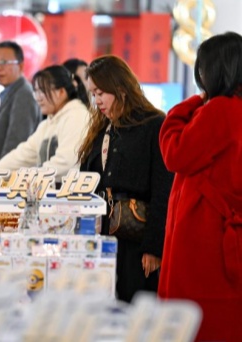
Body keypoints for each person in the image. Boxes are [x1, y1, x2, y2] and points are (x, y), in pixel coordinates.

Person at [158, 32, 242, 341]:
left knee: (195, 320)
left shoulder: (218, 110)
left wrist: (191, 103)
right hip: (227, 236)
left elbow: (176, 154)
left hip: (205, 234)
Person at [78, 55, 173, 303]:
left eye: (101, 92)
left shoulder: (154, 124)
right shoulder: (101, 128)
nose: (97, 100)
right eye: (93, 94)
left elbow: (164, 190)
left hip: (136, 237)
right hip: (101, 235)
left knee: (134, 302)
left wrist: (154, 247)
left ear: (120, 88)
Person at [0, 65, 89, 179]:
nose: (38, 98)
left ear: (61, 92)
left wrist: (27, 177)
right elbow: (22, 155)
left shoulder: (77, 116)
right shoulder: (47, 124)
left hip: (72, 194)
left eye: (42, 91)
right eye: (36, 91)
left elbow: (67, 163)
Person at [0, 41, 41, 167]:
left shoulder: (23, 94)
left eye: (3, 62)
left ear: (21, 66)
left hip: (4, 180)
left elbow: (16, 146)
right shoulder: (12, 92)